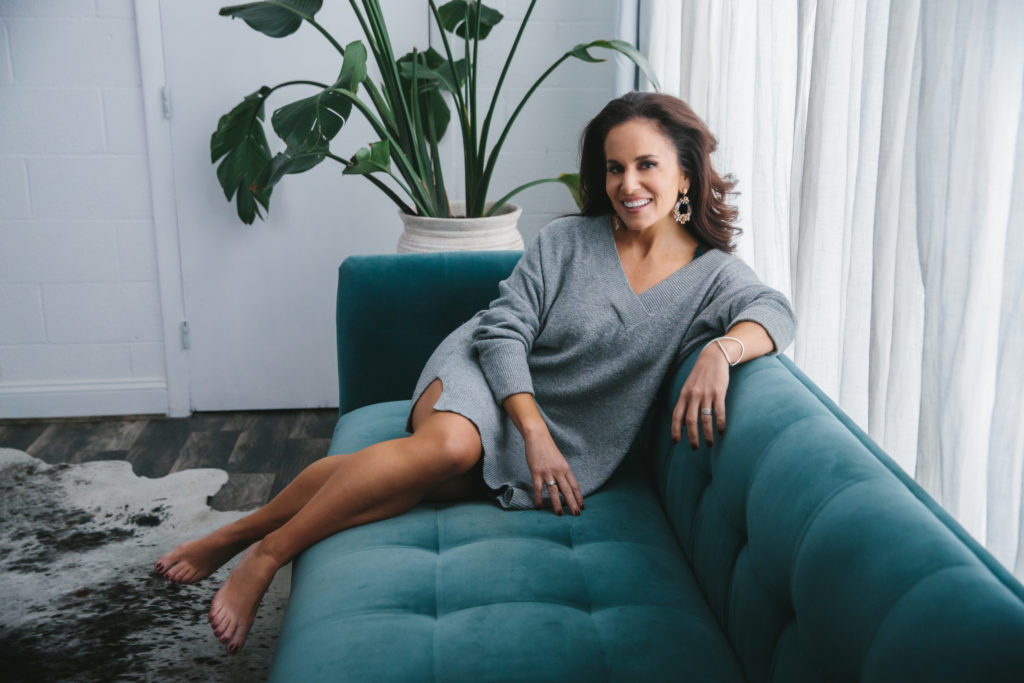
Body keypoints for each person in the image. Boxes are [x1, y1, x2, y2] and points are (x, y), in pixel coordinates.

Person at [154, 91, 796, 655]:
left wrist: (719, 352)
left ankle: (238, 531)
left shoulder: (712, 275)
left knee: (407, 477)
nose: (628, 184)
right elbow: (503, 330)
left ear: (685, 174)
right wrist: (534, 432)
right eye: (614, 167)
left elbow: (774, 311)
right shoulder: (568, 242)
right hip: (484, 371)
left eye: (646, 165)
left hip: (571, 435)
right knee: (452, 446)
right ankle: (266, 557)